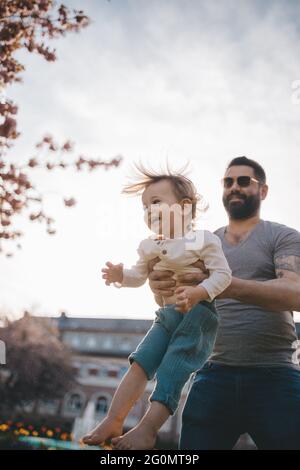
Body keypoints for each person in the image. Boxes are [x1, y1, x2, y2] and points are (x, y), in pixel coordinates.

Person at [148, 156, 300, 450]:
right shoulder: (200, 243)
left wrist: (227, 286)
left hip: (275, 376)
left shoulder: (283, 236)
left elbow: (295, 293)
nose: (234, 187)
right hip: (212, 375)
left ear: (263, 191)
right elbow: (176, 302)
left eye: (244, 181)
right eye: (228, 182)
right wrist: (159, 289)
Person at [82, 165, 231, 450]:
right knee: (141, 361)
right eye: (144, 206)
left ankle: (148, 429)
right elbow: (139, 277)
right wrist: (120, 276)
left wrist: (200, 292)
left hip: (198, 316)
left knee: (173, 368)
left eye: (156, 202)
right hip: (166, 316)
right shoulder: (150, 245)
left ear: (185, 208)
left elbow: (223, 276)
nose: (148, 211)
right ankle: (114, 418)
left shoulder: (203, 239)